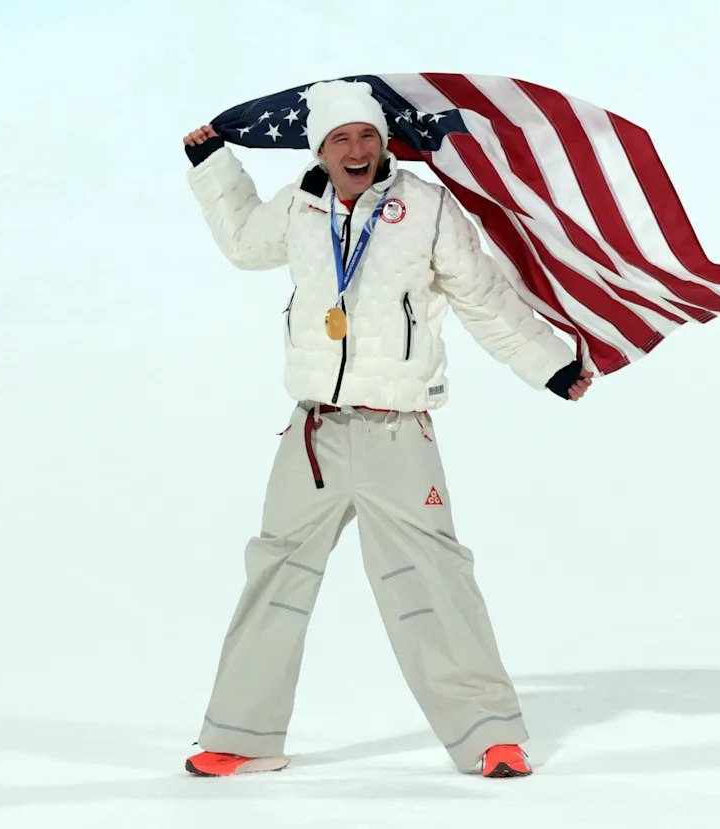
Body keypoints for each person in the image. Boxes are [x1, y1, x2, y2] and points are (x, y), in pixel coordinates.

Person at [181, 80, 592, 779]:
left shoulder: (424, 207)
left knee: (435, 580)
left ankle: (490, 735)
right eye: (340, 138)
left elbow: (482, 294)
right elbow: (245, 244)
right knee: (275, 575)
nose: (356, 149)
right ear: (319, 147)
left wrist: (549, 363)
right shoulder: (301, 204)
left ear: (383, 142)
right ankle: (243, 737)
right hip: (312, 434)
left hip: (399, 433)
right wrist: (214, 163)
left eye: (366, 136)